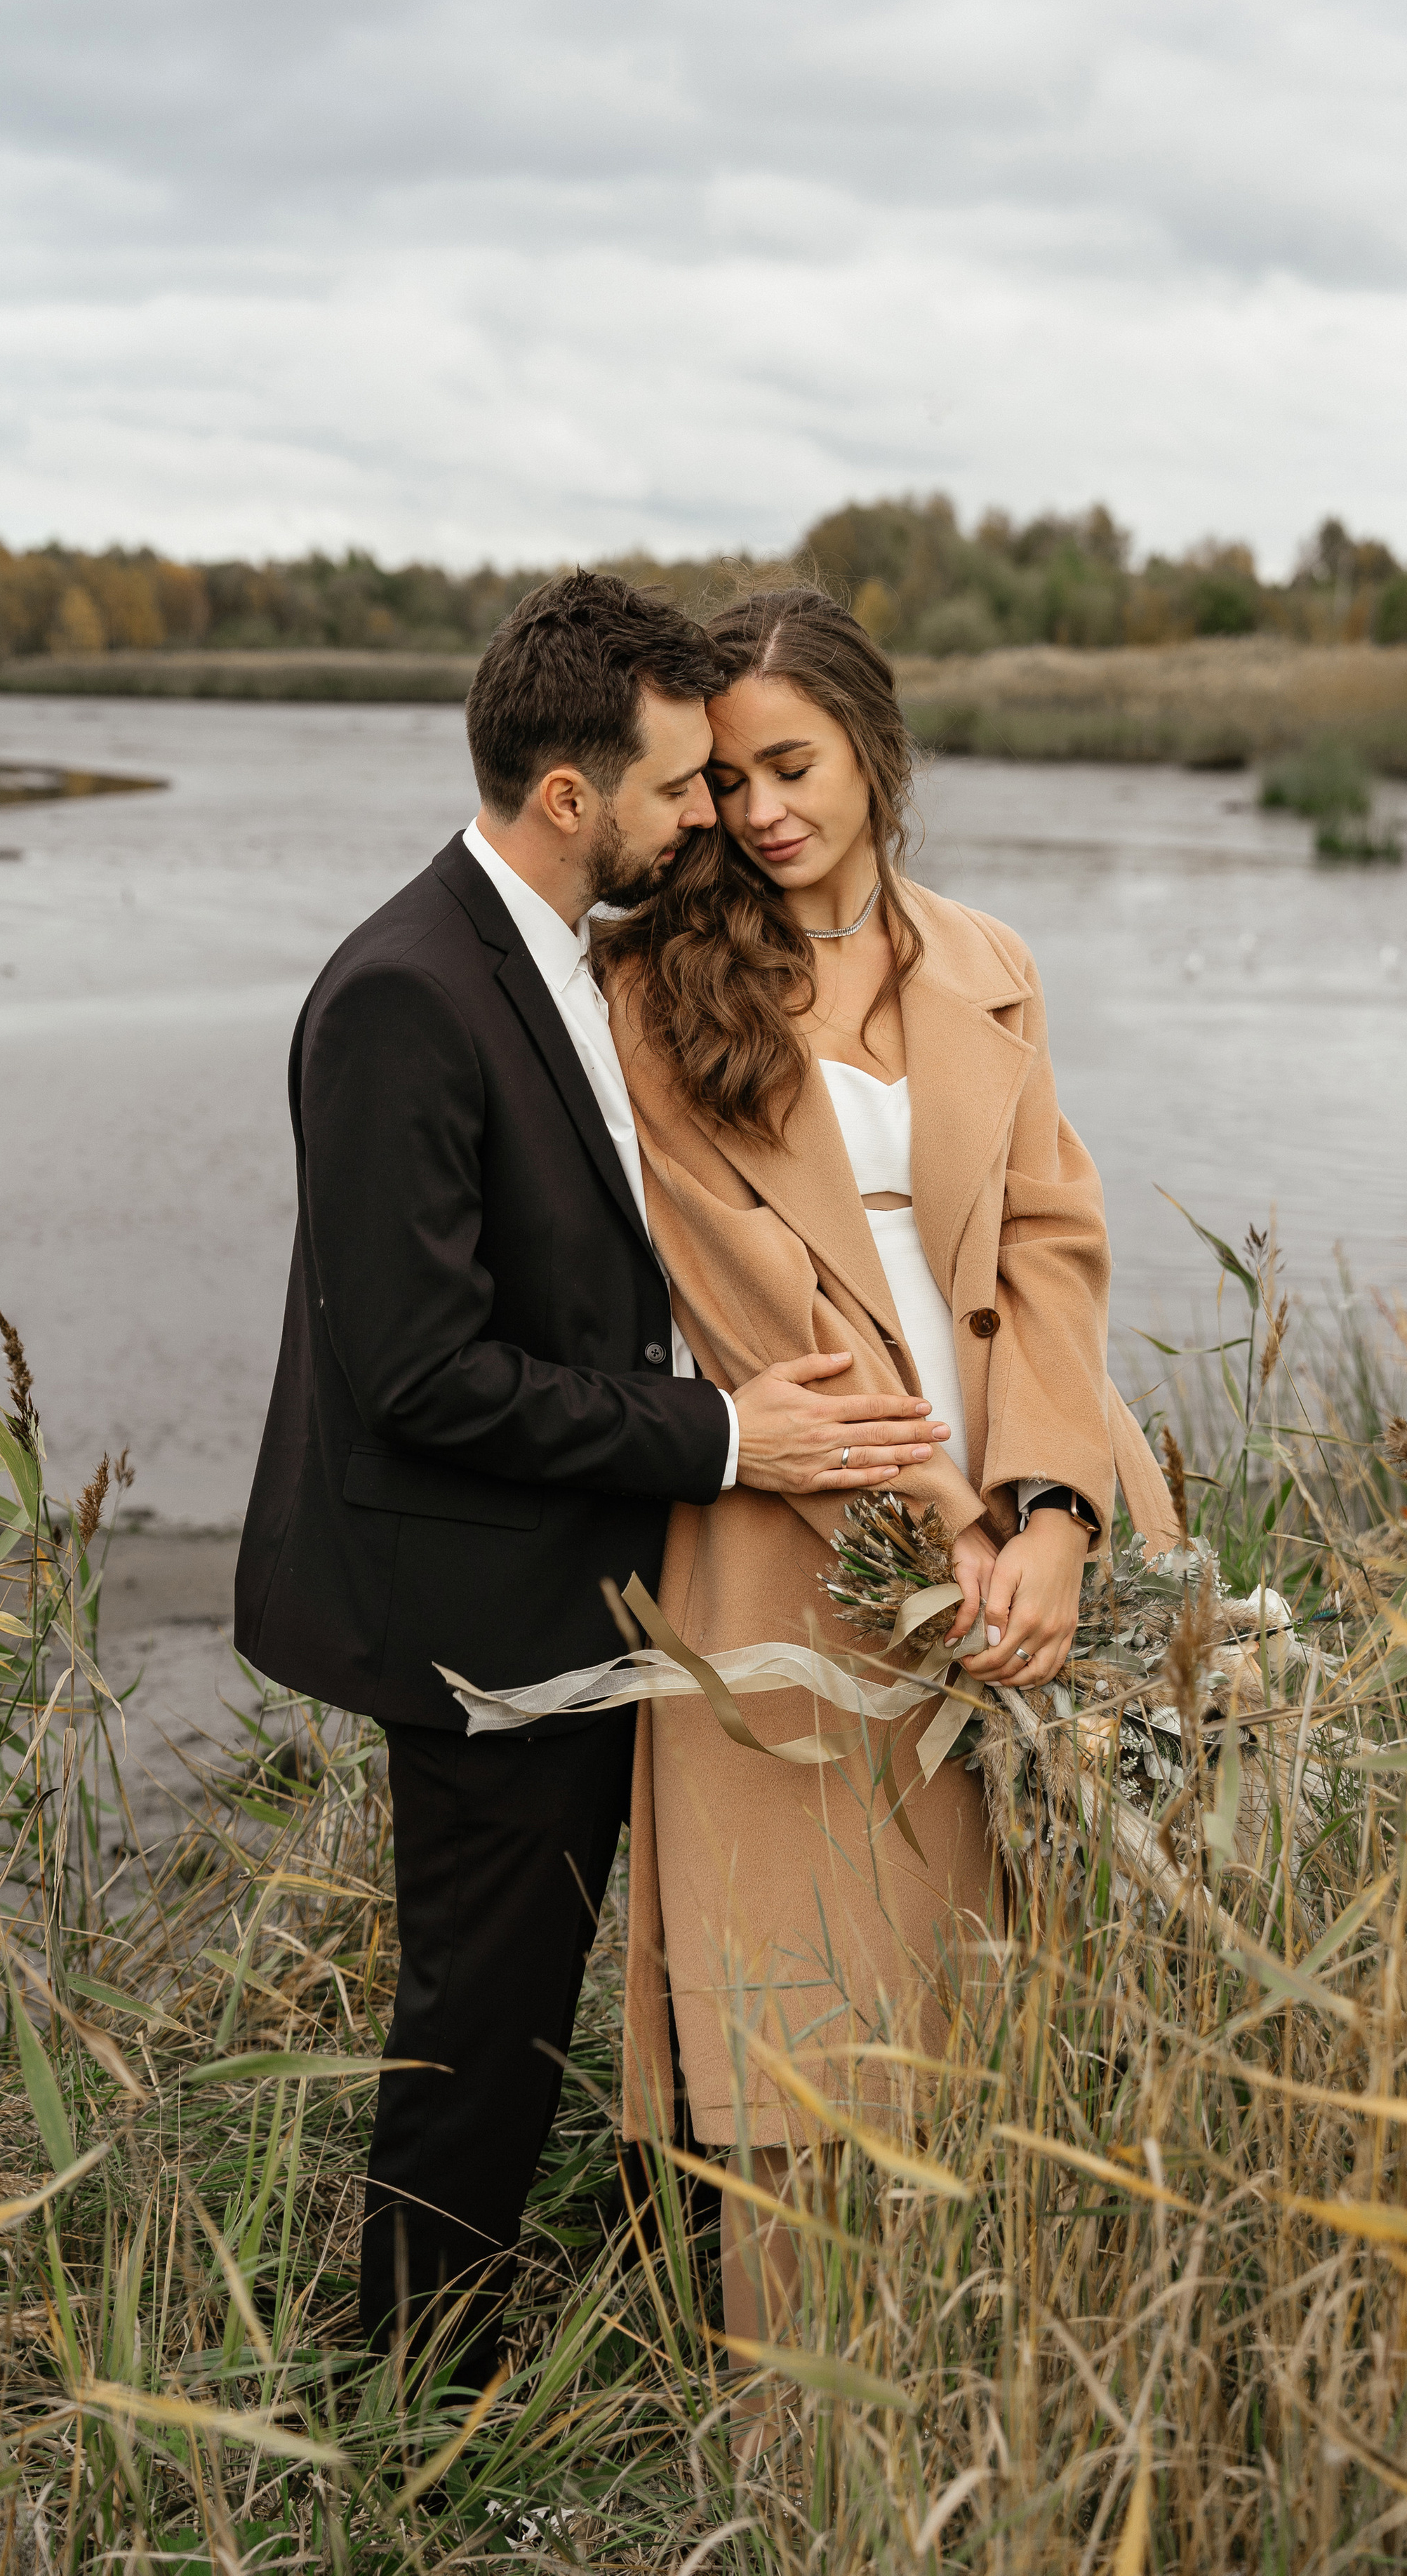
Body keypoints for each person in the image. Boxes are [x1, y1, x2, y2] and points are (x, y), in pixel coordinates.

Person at [233, 570, 948, 2390]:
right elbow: (417, 1375)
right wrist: (728, 1436)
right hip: (479, 1613)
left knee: (613, 1986)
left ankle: (635, 2306)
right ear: (572, 796)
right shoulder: (403, 993)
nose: (709, 812)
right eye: (681, 783)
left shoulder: (566, 960)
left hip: (607, 1580)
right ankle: (422, 2401)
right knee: (480, 2028)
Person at [594, 583, 1178, 2444]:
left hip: (1034, 1482)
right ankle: (804, 2446)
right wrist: (944, 1519)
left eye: (795, 765)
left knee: (1029, 1952)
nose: (761, 811)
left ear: (872, 745)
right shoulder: (653, 988)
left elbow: (1054, 1246)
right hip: (807, 1525)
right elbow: (742, 1283)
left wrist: (1055, 1513)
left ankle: (1012, 2398)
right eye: (728, 780)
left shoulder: (987, 959)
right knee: (811, 1987)